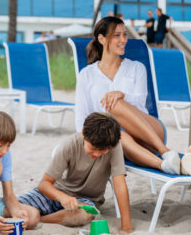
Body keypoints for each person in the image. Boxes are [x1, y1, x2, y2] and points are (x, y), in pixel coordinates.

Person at [75, 16, 181, 174]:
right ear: (102, 39)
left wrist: (121, 94)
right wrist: (88, 141)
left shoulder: (137, 68)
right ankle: (164, 165)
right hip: (116, 140)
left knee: (115, 103)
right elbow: (81, 116)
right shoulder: (86, 75)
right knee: (115, 134)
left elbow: (140, 102)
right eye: (117, 35)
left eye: (125, 35)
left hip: (150, 134)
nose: (123, 40)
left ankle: (165, 151)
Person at [18, 112, 132, 233]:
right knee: (14, 206)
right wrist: (62, 197)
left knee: (85, 214)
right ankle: (35, 216)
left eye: (103, 150)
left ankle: (40, 219)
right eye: (93, 148)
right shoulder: (71, 145)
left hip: (85, 200)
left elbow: (119, 185)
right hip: (56, 193)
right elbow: (44, 184)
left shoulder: (113, 146)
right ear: (83, 134)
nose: (97, 154)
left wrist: (126, 227)